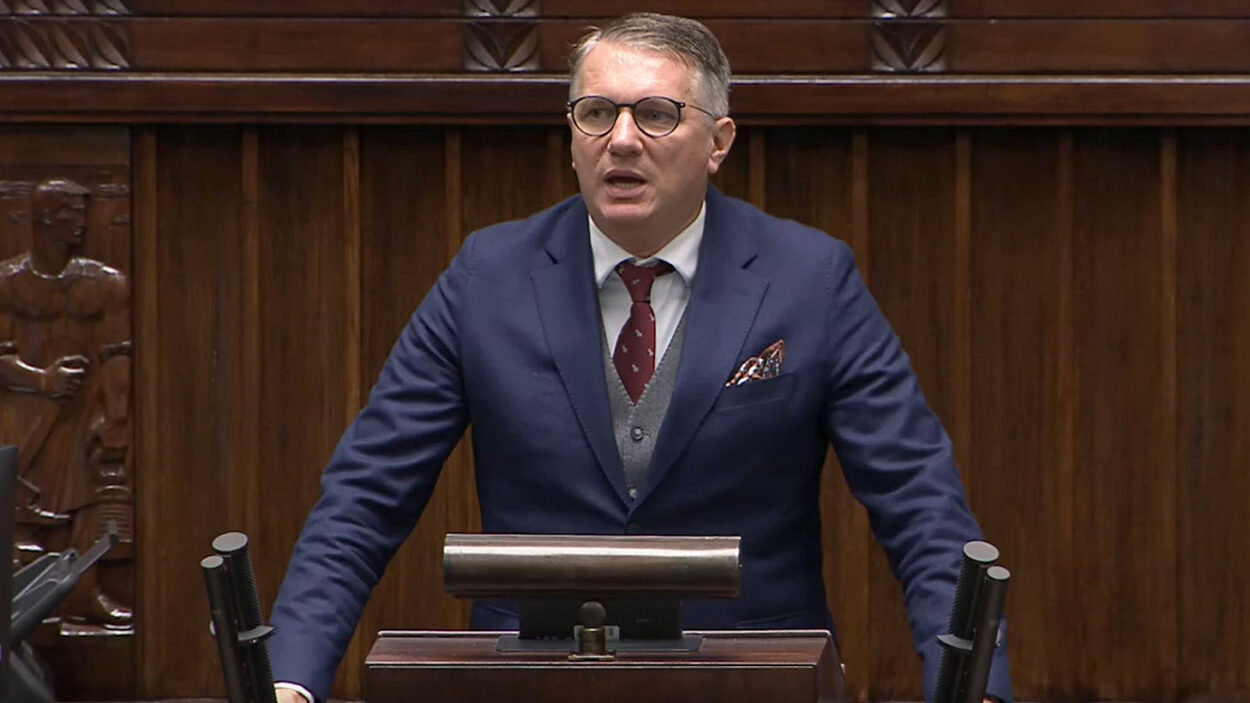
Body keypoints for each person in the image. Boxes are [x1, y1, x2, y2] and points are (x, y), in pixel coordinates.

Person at [269, 13, 1012, 703]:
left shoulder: (809, 279)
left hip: (751, 678)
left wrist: (972, 684)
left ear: (718, 141)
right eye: (597, 113)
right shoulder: (486, 277)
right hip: (528, 679)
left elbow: (919, 501)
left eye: (656, 114)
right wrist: (291, 679)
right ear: (571, 135)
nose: (621, 140)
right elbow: (366, 493)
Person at [0, 177, 133, 629]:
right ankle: (17, 605)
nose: (81, 222)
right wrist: (42, 380)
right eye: (70, 212)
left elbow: (117, 353)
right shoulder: (8, 283)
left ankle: (81, 592)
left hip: (81, 411)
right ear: (43, 218)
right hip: (22, 413)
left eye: (83, 212)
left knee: (87, 502)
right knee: (20, 510)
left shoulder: (106, 283)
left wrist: (117, 415)